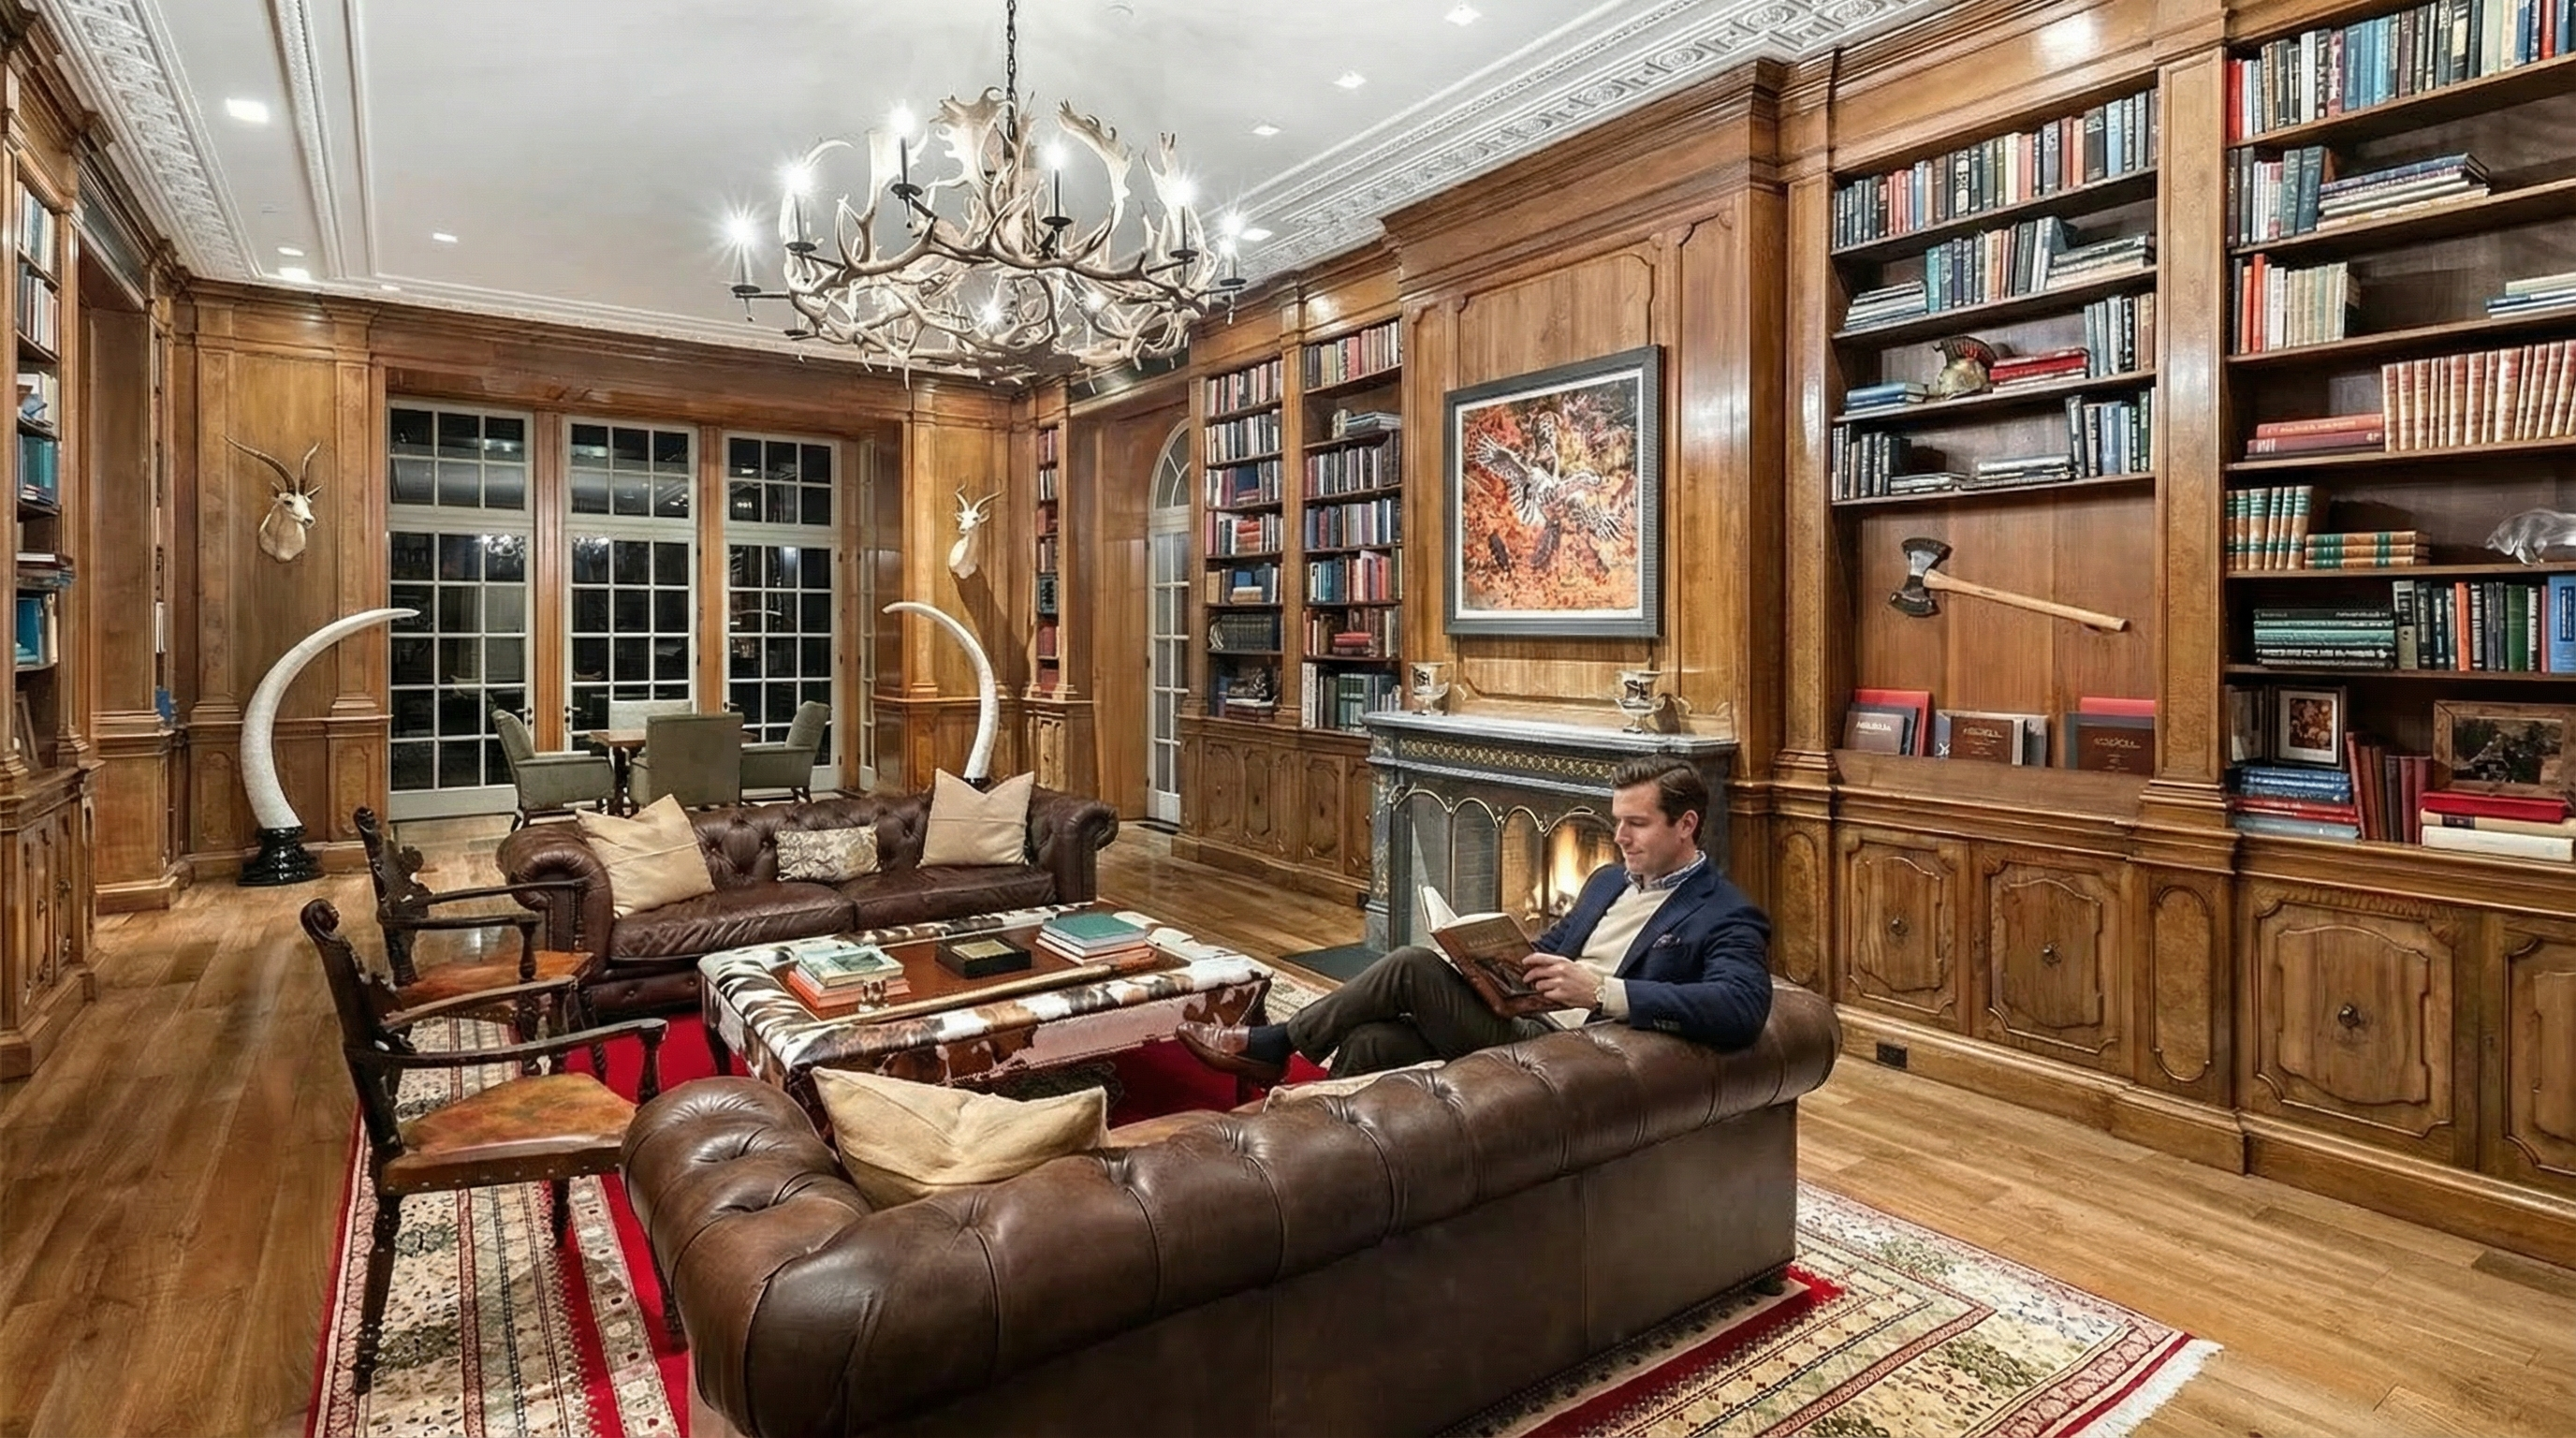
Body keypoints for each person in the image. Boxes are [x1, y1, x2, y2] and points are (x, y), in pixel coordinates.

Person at [1176, 756, 1774, 1086]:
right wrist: (1491, 961)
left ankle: (1278, 1044)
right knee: (1370, 1039)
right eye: (1616, 820)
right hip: (1524, 1013)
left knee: (1409, 966)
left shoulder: (1725, 913)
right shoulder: (1607, 880)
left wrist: (1603, 991)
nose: (1618, 837)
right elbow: (1554, 946)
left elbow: (1742, 1008)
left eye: (1636, 824)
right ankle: (1312, 1145)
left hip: (1574, 1047)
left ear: (1686, 825)